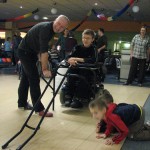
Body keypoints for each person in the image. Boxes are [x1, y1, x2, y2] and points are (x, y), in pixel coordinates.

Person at [17, 15, 69, 117]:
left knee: (25, 79)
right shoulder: (46, 29)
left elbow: (40, 48)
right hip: (25, 52)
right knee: (34, 79)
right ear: (55, 20)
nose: (59, 27)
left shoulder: (50, 30)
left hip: (28, 52)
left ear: (64, 29)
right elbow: (44, 52)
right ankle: (39, 109)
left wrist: (41, 57)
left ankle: (22, 103)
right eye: (58, 23)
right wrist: (45, 69)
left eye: (62, 27)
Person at [64, 29, 96, 108]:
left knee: (83, 74)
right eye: (84, 38)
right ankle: (69, 96)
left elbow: (93, 60)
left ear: (92, 39)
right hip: (77, 68)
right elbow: (69, 57)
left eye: (88, 38)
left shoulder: (94, 49)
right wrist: (70, 60)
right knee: (70, 73)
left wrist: (77, 59)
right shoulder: (77, 47)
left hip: (88, 70)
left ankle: (79, 98)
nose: (85, 40)